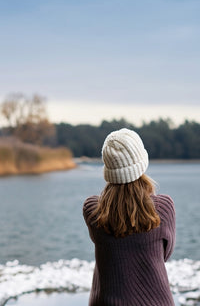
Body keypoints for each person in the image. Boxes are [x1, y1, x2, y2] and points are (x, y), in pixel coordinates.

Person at [83, 128, 176, 306]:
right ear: (141, 163)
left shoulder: (93, 210)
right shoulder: (163, 207)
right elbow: (166, 254)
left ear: (108, 168)